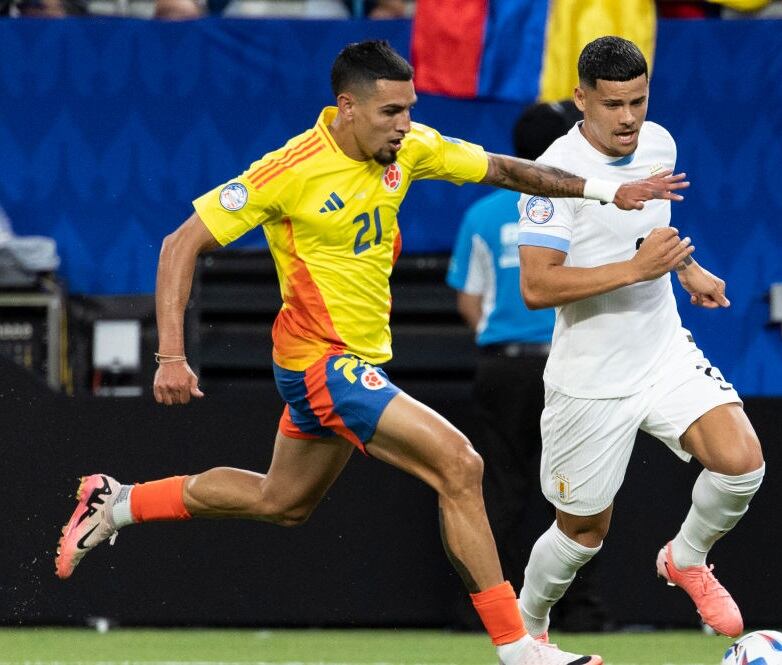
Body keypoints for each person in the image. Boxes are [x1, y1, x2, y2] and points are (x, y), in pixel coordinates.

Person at [54, 40, 688, 665]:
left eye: (409, 109)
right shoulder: (289, 170)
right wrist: (170, 355)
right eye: (391, 112)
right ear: (348, 108)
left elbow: (504, 170)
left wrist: (605, 192)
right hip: (319, 361)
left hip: (351, 362)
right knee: (460, 465)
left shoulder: (408, 148)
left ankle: (119, 502)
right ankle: (518, 648)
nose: (404, 124)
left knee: (282, 502)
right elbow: (179, 244)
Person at [515, 36, 764, 640]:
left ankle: (686, 559)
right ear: (581, 99)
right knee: (582, 534)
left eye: (638, 101)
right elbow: (538, 287)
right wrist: (637, 269)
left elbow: (650, 233)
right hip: (590, 375)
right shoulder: (552, 176)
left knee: (741, 465)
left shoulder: (659, 143)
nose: (628, 118)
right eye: (613, 105)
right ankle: (528, 629)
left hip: (661, 347)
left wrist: (686, 267)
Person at [447, 100, 609, 632]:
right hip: (569, 362)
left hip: (504, 367)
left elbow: (469, 300)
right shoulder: (581, 206)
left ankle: (487, 613)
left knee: (500, 489)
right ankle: (580, 614)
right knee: (579, 490)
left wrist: (501, 336)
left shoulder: (481, 214)